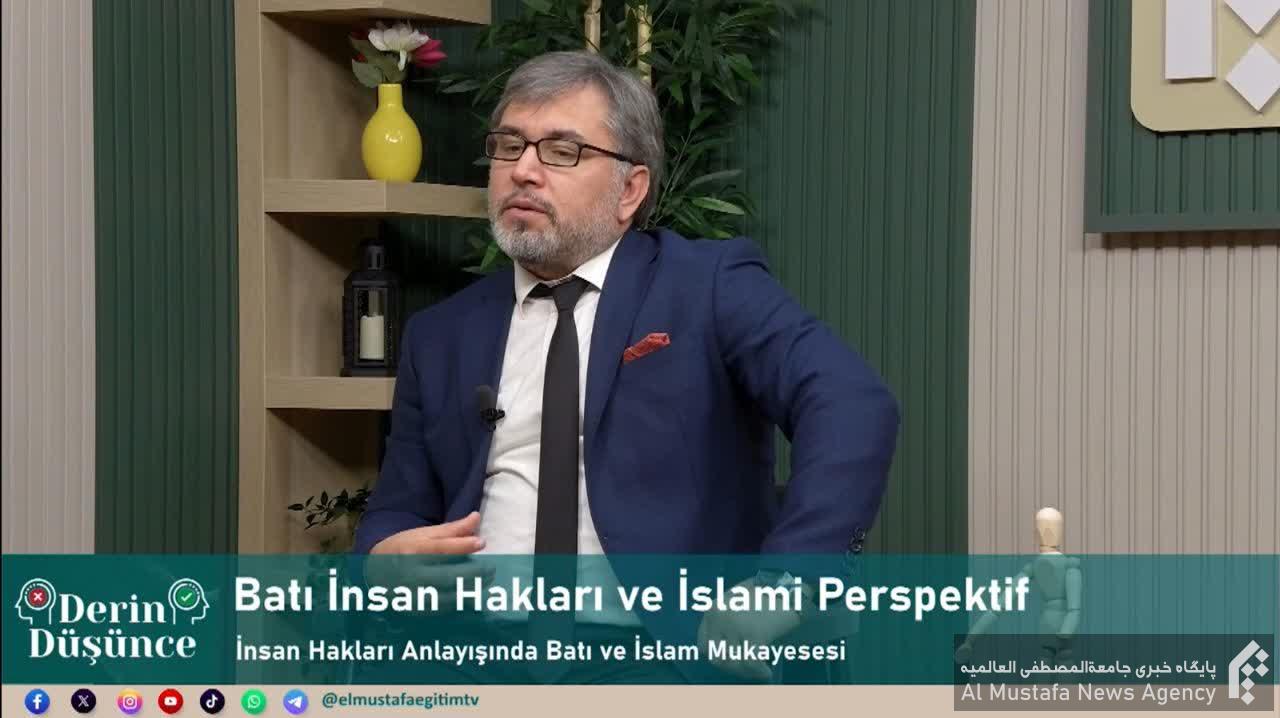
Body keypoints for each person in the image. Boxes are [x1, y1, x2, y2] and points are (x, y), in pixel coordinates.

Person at [352, 50, 899, 682]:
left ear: (630, 190)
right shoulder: (442, 333)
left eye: (562, 151)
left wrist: (787, 584)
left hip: (654, 657)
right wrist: (383, 561)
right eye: (509, 146)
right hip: (472, 655)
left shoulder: (707, 286)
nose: (523, 170)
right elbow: (396, 509)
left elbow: (851, 401)